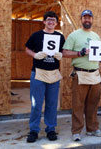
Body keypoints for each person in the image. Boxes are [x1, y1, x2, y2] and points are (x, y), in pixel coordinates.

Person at [62, 10, 101, 141]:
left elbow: (99, 55)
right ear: (81, 19)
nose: (87, 20)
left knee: (93, 104)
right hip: (80, 74)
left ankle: (92, 129)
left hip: (94, 75)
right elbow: (64, 53)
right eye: (85, 18)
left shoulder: (96, 36)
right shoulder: (74, 35)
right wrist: (79, 53)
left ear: (92, 20)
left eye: (89, 18)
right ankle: (76, 131)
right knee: (78, 104)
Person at [25, 11, 65, 143]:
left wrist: (61, 55)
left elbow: (62, 51)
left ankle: (51, 129)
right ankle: (34, 130)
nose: (51, 22)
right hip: (38, 72)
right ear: (44, 21)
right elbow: (27, 49)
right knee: (36, 104)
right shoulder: (36, 35)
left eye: (53, 20)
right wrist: (35, 55)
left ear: (56, 23)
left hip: (53, 72)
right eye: (48, 20)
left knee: (52, 104)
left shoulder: (59, 36)